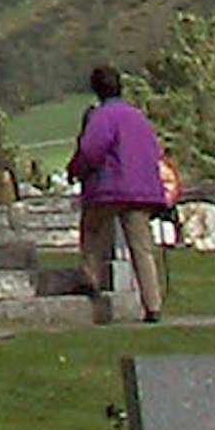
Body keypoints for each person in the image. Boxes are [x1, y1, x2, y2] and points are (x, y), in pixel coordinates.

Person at [69, 64, 170, 324]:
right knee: (142, 248)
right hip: (141, 190)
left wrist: (77, 169)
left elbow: (91, 150)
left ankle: (91, 280)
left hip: (109, 187)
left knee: (92, 231)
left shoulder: (102, 116)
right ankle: (153, 303)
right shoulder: (138, 117)